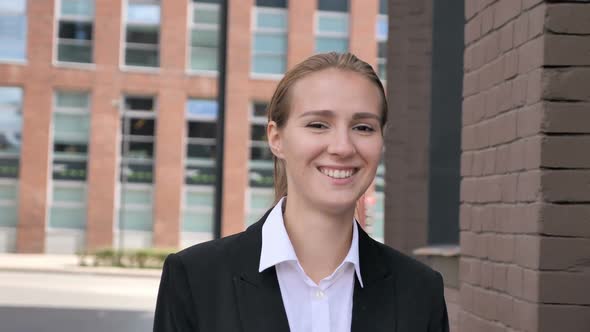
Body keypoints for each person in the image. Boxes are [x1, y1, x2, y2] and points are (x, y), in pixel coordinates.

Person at [153, 52, 449, 332]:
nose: (343, 147)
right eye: (318, 124)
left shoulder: (421, 292)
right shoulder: (195, 279)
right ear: (276, 138)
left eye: (363, 127)